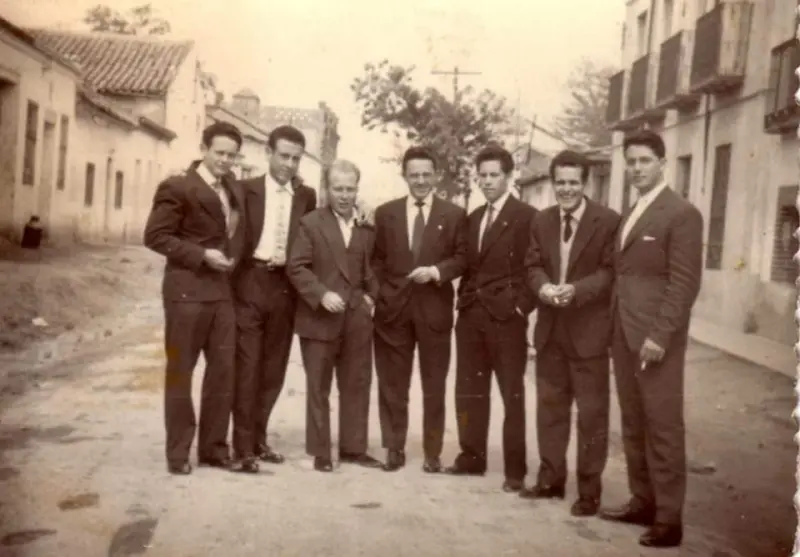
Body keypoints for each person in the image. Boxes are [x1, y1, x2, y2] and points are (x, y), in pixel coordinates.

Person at [599, 130, 703, 548]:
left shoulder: (681, 213)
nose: (637, 168)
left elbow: (684, 283)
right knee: (633, 422)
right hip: (623, 333)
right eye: (631, 161)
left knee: (662, 426)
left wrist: (660, 336)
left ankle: (668, 519)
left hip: (655, 339)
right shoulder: (632, 211)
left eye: (644, 161)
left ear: (662, 162)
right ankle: (642, 501)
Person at [143, 121, 247, 475]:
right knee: (180, 373)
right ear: (203, 149)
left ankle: (214, 450)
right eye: (219, 153)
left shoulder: (232, 187)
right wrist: (201, 255)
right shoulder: (177, 186)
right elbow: (155, 236)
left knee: (222, 373)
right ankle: (177, 454)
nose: (225, 160)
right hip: (186, 292)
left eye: (232, 155)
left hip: (221, 293)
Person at [520, 150, 620, 516]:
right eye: (560, 182)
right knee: (550, 410)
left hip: (588, 334)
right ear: (552, 183)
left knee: (592, 416)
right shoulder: (542, 220)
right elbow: (531, 265)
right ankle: (551, 481)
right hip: (550, 332)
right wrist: (544, 287)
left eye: (573, 182)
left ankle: (589, 492)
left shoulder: (608, 221)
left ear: (585, 183)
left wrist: (576, 290)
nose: (566, 189)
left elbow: (610, 273)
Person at [444, 145, 537, 492]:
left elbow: (535, 267)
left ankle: (515, 470)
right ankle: (472, 457)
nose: (487, 182)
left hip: (506, 319)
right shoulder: (473, 218)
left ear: (509, 177)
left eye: (494, 175)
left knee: (512, 394)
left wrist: (521, 307)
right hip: (471, 317)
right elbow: (467, 265)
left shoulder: (527, 217)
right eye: (482, 176)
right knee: (469, 390)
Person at [372, 146, 467, 473]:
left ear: (436, 175)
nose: (421, 181)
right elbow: (376, 260)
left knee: (434, 384)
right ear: (405, 176)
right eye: (414, 175)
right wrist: (382, 294)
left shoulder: (453, 215)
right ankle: (394, 447)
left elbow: (462, 258)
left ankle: (432, 452)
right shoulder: (386, 213)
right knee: (392, 384)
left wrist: (437, 271)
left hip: (434, 310)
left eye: (427, 174)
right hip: (393, 312)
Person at [286, 159, 383, 473]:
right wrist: (321, 294)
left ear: (357, 190)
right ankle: (320, 452)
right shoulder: (311, 223)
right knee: (318, 387)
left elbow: (376, 265)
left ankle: (354, 449)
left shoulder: (366, 226)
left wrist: (370, 296)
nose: (344, 195)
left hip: (356, 317)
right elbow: (296, 266)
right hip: (319, 318)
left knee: (357, 383)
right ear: (327, 189)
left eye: (350, 189)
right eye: (338, 188)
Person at [231, 125, 317, 471]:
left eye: (296, 159)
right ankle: (242, 448)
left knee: (273, 370)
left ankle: (258, 439)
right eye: (283, 156)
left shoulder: (306, 196)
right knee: (247, 367)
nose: (289, 164)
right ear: (268, 153)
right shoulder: (244, 190)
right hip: (250, 282)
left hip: (284, 288)